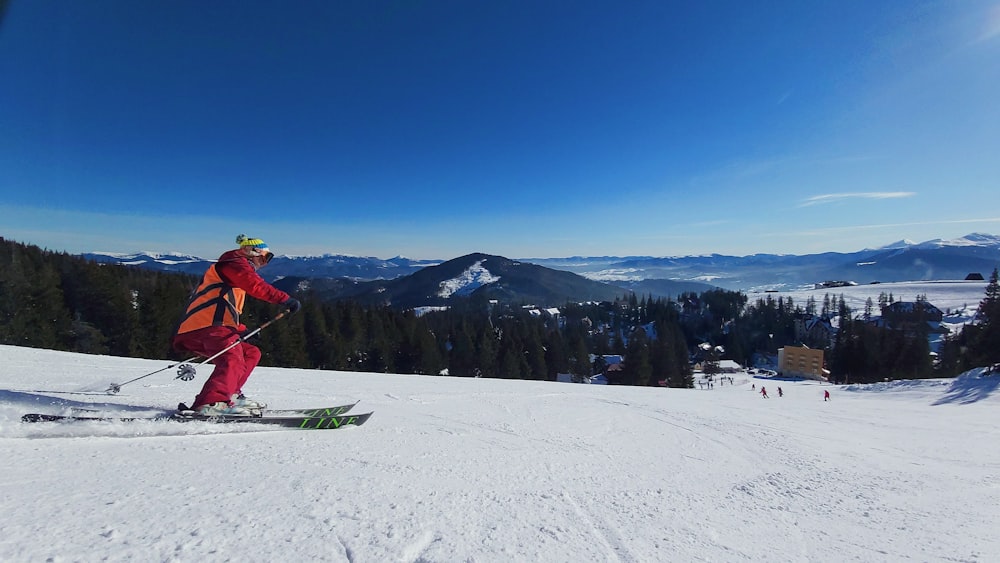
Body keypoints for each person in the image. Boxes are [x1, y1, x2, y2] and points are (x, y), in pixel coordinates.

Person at [172, 235, 301, 416]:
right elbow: (255, 286)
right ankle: (210, 402)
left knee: (250, 353)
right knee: (232, 357)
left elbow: (224, 307)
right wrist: (284, 299)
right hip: (205, 326)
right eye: (265, 258)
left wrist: (241, 330)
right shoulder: (234, 265)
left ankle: (230, 394)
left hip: (213, 326)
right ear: (252, 252)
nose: (264, 264)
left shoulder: (233, 268)